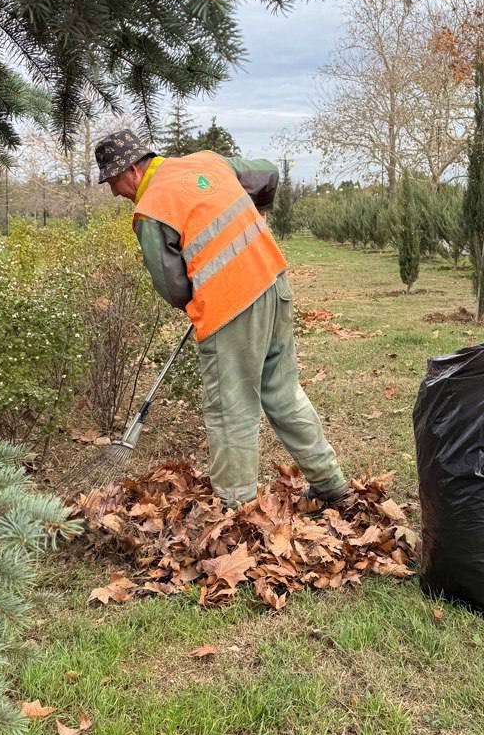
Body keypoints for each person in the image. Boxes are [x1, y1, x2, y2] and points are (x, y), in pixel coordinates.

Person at [94, 128, 349, 510]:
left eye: (113, 181)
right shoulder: (207, 162)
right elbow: (266, 175)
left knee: (232, 408)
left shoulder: (151, 209)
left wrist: (200, 294)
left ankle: (236, 512)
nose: (114, 192)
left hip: (232, 307)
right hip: (274, 282)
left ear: (132, 169)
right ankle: (331, 486)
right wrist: (249, 214)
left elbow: (173, 288)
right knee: (284, 393)